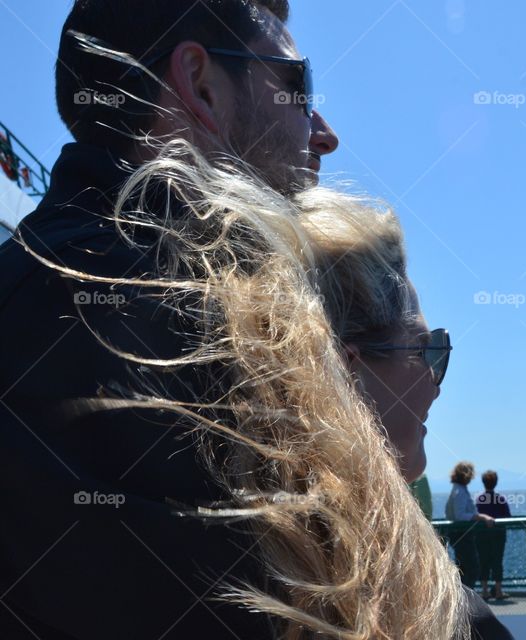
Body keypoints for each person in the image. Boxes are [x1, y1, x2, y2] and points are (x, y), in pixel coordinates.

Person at [1, 1, 338, 637]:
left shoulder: (40, 287)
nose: (322, 130)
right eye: (299, 87)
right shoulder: (197, 326)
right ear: (202, 86)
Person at [446, 462, 495, 589]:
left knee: (464, 567)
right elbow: (460, 515)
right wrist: (481, 517)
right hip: (461, 534)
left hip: (461, 533)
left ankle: (462, 599)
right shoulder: (459, 492)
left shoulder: (459, 490)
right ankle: (466, 600)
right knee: (471, 568)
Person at [476, 470, 511, 599]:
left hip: (481, 534)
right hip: (498, 533)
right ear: (496, 483)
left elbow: (475, 515)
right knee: (497, 560)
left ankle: (484, 591)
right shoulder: (500, 499)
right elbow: (507, 516)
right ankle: (498, 591)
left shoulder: (479, 499)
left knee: (483, 560)